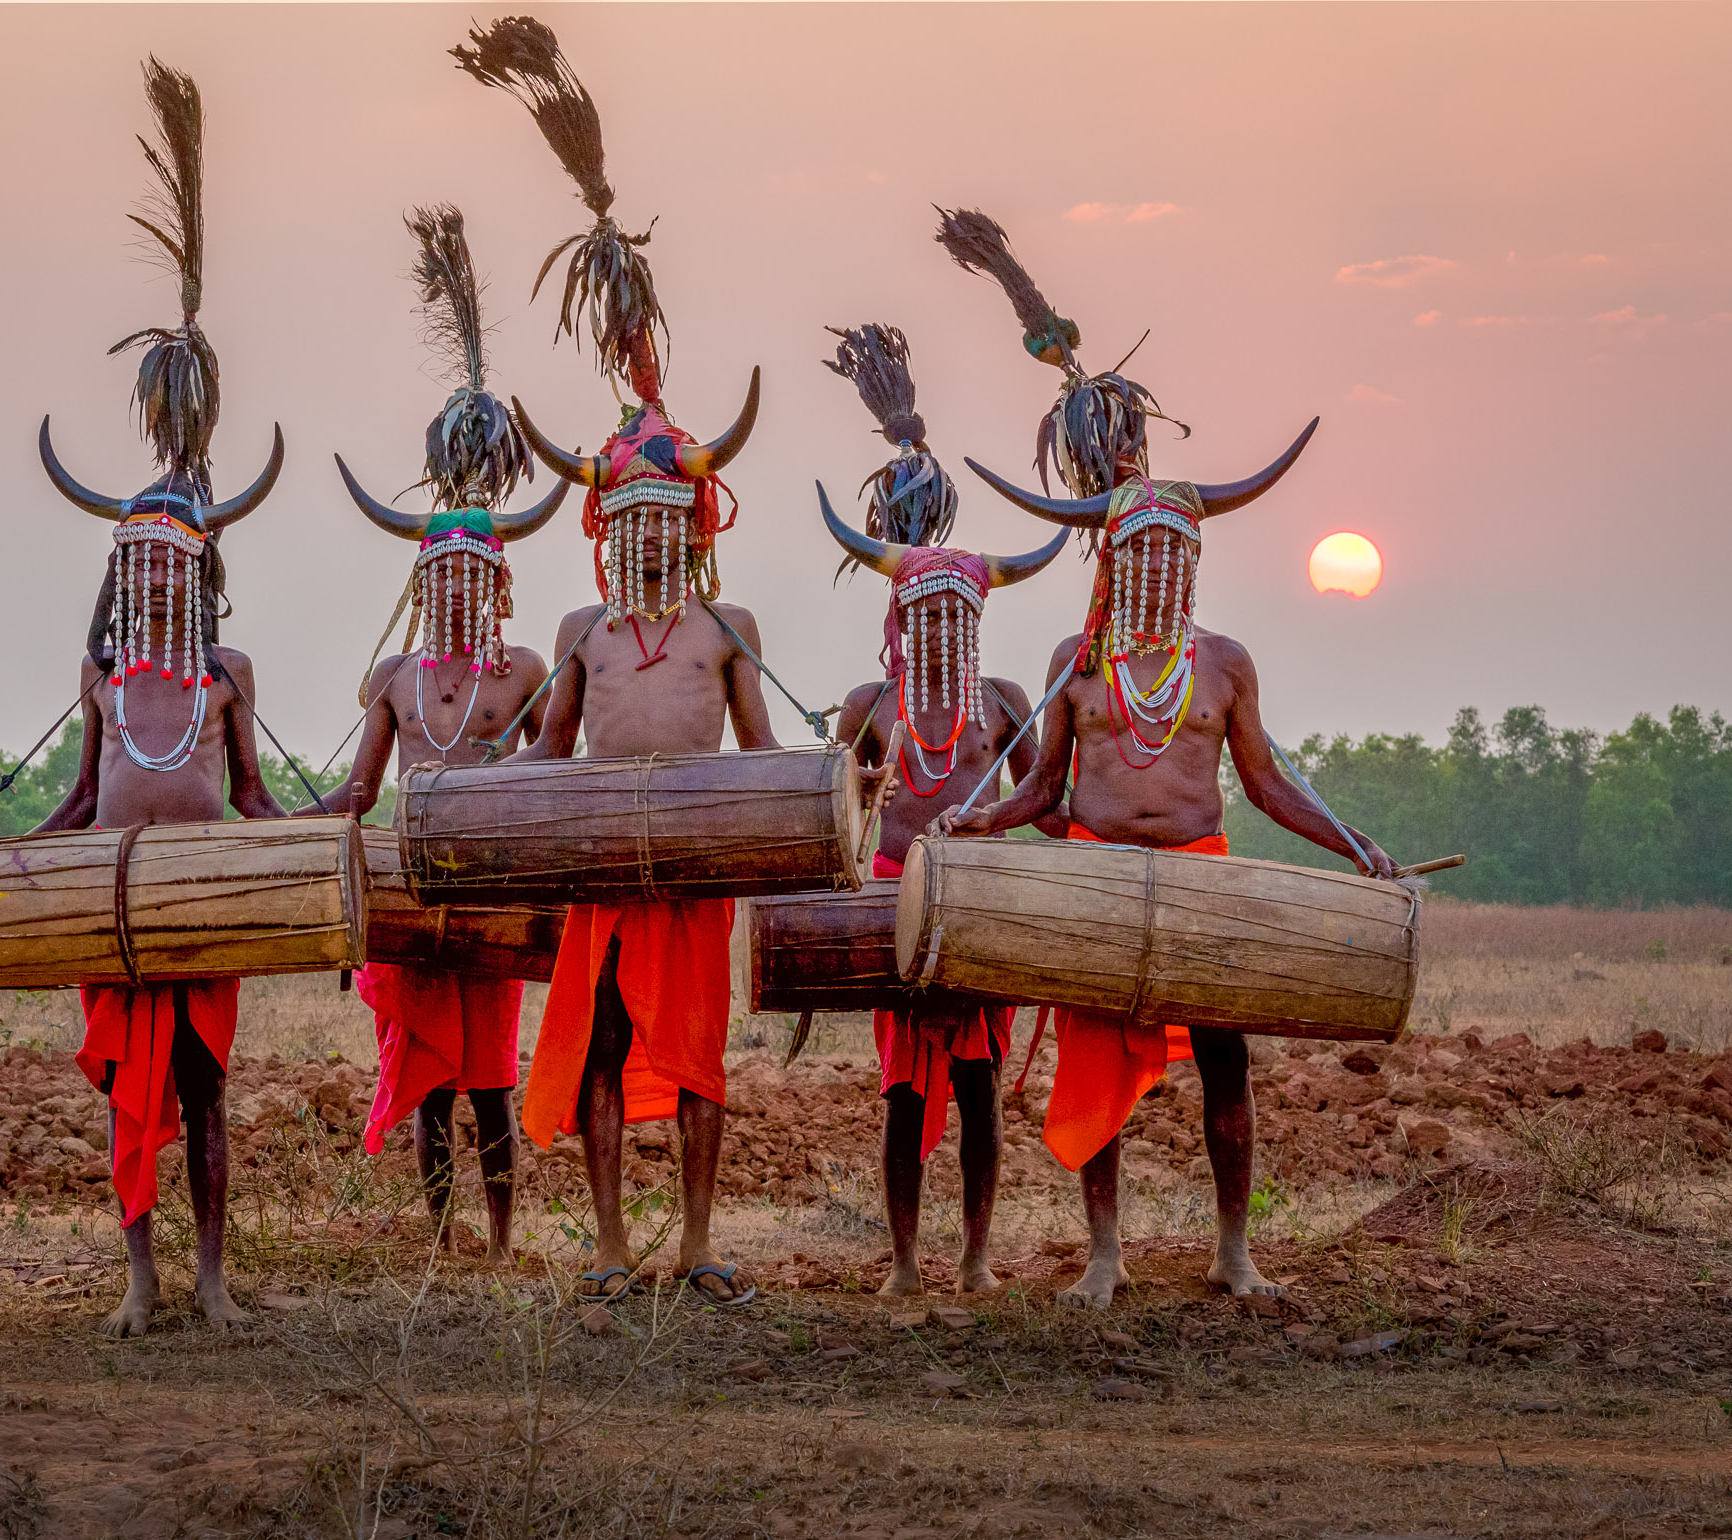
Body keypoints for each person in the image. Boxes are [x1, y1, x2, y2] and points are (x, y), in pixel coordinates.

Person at [935, 207, 1396, 1306]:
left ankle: (1234, 1250)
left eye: (1169, 551)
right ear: (1110, 562)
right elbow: (1039, 790)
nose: (1151, 566)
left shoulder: (1224, 664)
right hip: (1094, 874)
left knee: (1223, 1063)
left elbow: (1267, 779)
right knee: (1094, 1069)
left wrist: (1348, 839)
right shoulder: (1074, 661)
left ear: (1189, 562)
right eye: (1133, 548)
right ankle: (1104, 1254)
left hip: (1198, 871)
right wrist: (973, 821)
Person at [458, 16, 798, 1306]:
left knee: (699, 1063)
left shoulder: (725, 631)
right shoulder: (579, 637)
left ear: (693, 530)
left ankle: (701, 1242)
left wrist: (827, 794)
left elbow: (762, 754)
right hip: (605, 872)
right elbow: (545, 757)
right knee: (597, 1054)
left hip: (696, 875)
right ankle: (606, 1245)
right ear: (609, 534)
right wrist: (474, 776)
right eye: (634, 525)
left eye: (671, 524)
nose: (652, 544)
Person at [33, 60, 289, 1337]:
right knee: (128, 1100)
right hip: (119, 912)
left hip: (201, 916)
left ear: (198, 580)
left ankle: (208, 1278)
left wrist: (303, 839)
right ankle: (136, 1281)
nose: (151, 580)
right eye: (135, 565)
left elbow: (249, 797)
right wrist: (13, 859)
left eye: (168, 563)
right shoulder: (98, 678)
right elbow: (82, 800)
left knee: (202, 1096)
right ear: (122, 580)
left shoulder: (228, 677)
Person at [321, 205, 567, 1262]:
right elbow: (356, 792)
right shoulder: (390, 678)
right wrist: (303, 854)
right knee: (427, 1087)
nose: (458, 593)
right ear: (424, 586)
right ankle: (435, 1240)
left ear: (497, 584)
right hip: (413, 907)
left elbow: (556, 768)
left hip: (496, 905)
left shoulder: (520, 671)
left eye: (474, 578)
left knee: (492, 1087)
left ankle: (503, 1239)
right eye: (442, 579)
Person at [818, 323, 1071, 1297]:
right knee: (899, 1090)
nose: (939, 627)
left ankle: (971, 1257)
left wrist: (1079, 831)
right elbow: (835, 816)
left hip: (980, 906)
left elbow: (1043, 804)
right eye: (922, 614)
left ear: (973, 617)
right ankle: (902, 1262)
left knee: (975, 1091)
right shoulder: (868, 707)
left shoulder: (1004, 701)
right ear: (898, 619)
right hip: (891, 905)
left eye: (954, 614)